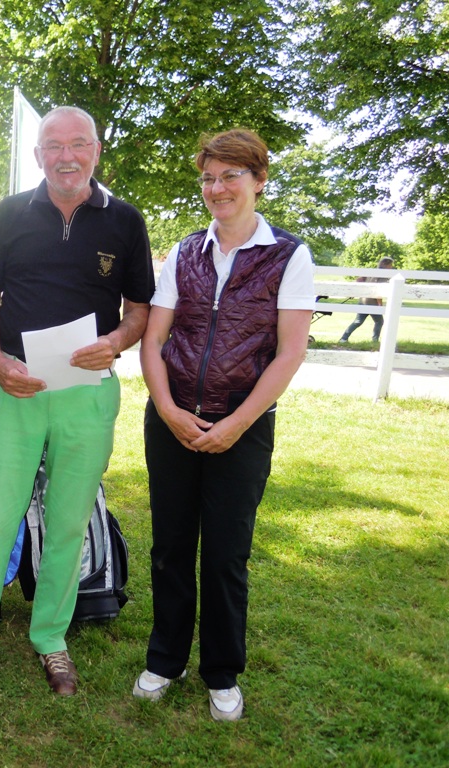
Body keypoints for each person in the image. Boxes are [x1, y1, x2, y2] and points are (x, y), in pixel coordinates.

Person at [0, 106, 154, 697]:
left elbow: (139, 309)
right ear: (38, 155)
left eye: (78, 144)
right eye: (54, 146)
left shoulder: (125, 221)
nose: (67, 156)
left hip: (88, 392)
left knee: (68, 520)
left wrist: (116, 341)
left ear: (96, 150)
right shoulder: (10, 213)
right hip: (17, 386)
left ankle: (51, 638)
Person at [133, 129, 315, 721]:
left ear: (259, 180)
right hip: (172, 420)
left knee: (226, 554)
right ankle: (165, 659)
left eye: (231, 176)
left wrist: (237, 423)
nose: (217, 188)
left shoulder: (287, 256)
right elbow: (154, 340)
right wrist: (166, 409)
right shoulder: (185, 251)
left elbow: (289, 352)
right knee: (170, 547)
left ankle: (221, 672)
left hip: (244, 425)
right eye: (209, 178)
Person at [338, 257, 395, 343]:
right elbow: (378, 291)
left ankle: (344, 338)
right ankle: (375, 340)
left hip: (363, 300)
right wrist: (380, 304)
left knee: (358, 321)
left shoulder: (371, 271)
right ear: (386, 264)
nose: (391, 267)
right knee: (379, 321)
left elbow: (359, 280)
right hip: (372, 302)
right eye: (390, 265)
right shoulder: (382, 275)